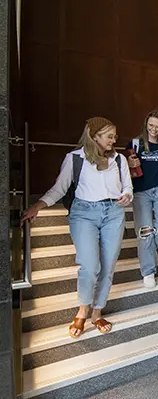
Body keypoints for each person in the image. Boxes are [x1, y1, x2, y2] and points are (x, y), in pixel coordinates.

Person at [21, 117, 133, 338]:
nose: (114, 140)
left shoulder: (119, 159)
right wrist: (38, 206)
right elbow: (59, 188)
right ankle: (83, 311)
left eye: (114, 136)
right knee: (90, 266)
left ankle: (97, 312)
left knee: (108, 266)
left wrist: (126, 196)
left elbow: (127, 186)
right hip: (84, 214)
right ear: (94, 136)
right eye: (109, 136)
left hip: (114, 213)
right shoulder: (75, 158)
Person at [125, 110, 158, 288]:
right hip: (140, 192)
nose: (154, 129)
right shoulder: (135, 143)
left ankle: (149, 250)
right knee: (145, 231)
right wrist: (130, 165)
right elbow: (126, 169)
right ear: (146, 124)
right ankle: (148, 271)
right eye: (151, 125)